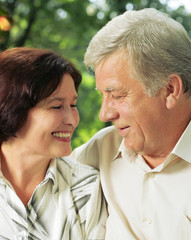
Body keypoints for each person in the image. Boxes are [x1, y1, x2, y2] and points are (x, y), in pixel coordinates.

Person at [71, 8, 191, 240]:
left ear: (170, 90)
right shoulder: (99, 151)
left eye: (116, 95)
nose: (104, 114)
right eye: (102, 95)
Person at [0, 47, 107, 240]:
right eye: (57, 106)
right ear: (11, 108)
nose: (72, 120)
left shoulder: (86, 187)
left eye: (73, 105)